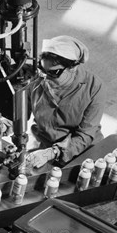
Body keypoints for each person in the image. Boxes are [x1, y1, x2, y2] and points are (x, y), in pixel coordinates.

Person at [26, 35, 104, 169]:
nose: (45, 77)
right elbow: (20, 112)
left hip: (81, 150)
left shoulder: (93, 88)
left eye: (53, 73)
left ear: (72, 68)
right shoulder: (37, 81)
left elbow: (85, 135)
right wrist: (5, 123)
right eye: (42, 70)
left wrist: (53, 152)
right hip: (42, 145)